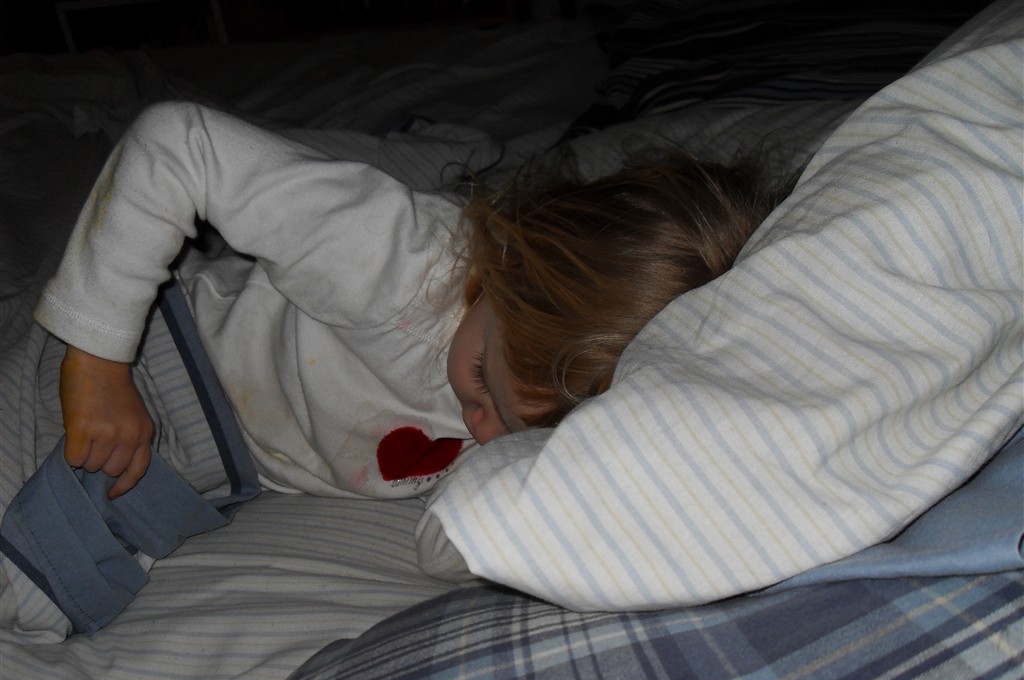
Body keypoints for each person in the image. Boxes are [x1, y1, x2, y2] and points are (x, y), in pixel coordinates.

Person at [35, 101, 780, 503]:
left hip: (227, 472)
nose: (481, 429)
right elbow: (177, 141)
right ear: (513, 258)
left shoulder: (597, 410)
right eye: (482, 379)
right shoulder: (402, 265)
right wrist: (98, 358)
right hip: (166, 354)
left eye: (516, 433)